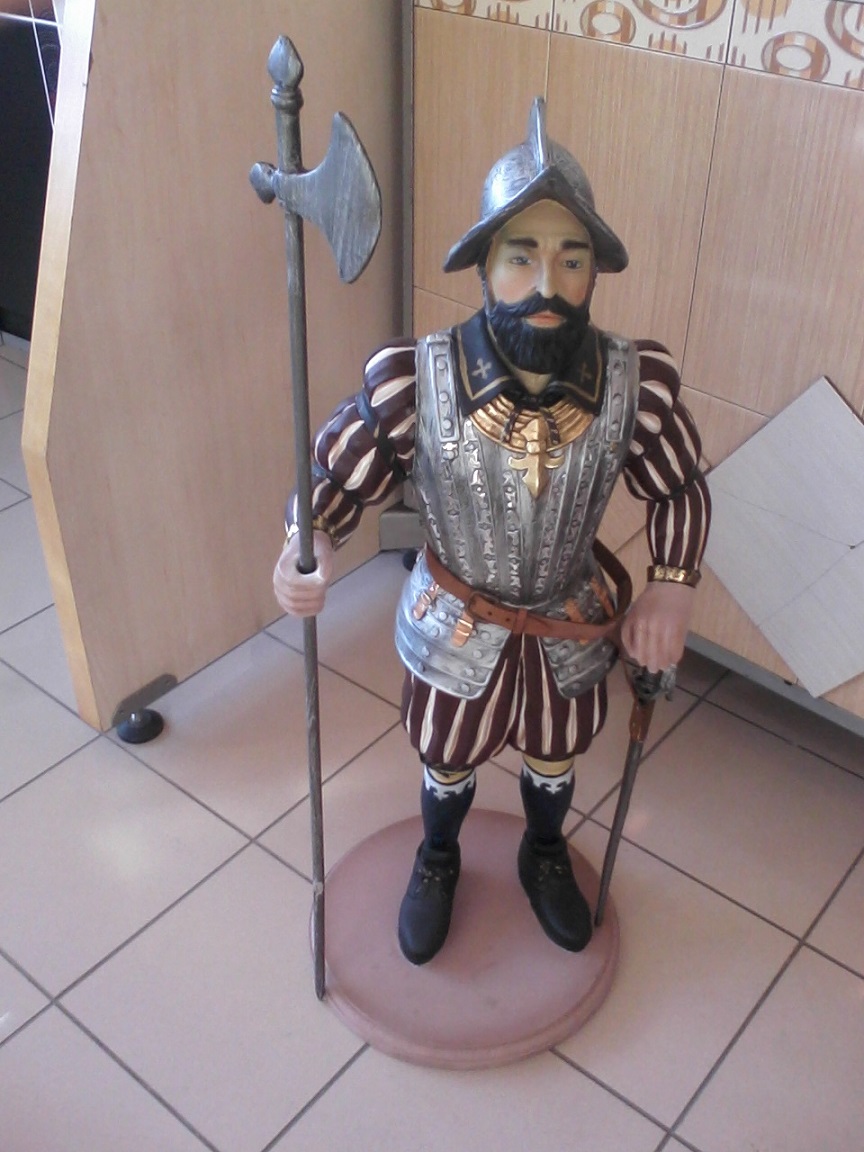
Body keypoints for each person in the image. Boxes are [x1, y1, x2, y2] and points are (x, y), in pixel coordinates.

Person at [274, 99, 710, 966]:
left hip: (569, 617)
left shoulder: (633, 384)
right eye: (521, 255)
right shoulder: (419, 380)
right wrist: (304, 541)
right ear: (484, 264)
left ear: (594, 273)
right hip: (453, 621)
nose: (547, 280)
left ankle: (544, 852)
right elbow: (340, 470)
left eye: (571, 258)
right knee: (447, 757)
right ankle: (438, 857)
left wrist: (671, 584)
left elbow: (678, 484)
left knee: (556, 756)